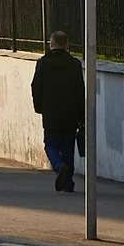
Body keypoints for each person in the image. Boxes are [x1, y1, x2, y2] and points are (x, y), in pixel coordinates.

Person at [31, 30, 86, 193]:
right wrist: (82, 115)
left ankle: (58, 165)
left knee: (51, 145)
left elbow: (36, 87)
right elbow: (80, 91)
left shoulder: (43, 63)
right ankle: (68, 183)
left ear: (51, 44)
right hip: (71, 113)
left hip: (51, 112)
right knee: (68, 148)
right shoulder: (74, 64)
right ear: (66, 44)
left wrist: (39, 107)